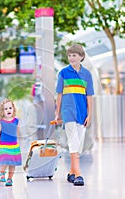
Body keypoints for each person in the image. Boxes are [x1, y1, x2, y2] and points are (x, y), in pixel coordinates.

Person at [54, 44, 94, 186]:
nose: (71, 58)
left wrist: (89, 115)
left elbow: (89, 96)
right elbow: (59, 95)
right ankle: (78, 174)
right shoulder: (63, 73)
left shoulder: (87, 75)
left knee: (78, 143)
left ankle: (71, 172)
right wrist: (57, 113)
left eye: (74, 55)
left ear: (81, 57)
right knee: (73, 140)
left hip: (82, 113)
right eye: (69, 55)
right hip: (68, 111)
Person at [0, 99, 22, 186]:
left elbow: (17, 131)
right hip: (4, 145)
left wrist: (19, 141)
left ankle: (10, 178)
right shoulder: (1, 122)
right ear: (2, 111)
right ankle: (2, 173)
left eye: (10, 108)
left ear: (13, 109)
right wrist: (0, 141)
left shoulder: (16, 121)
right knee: (5, 160)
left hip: (14, 145)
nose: (8, 110)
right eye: (5, 109)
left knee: (12, 163)